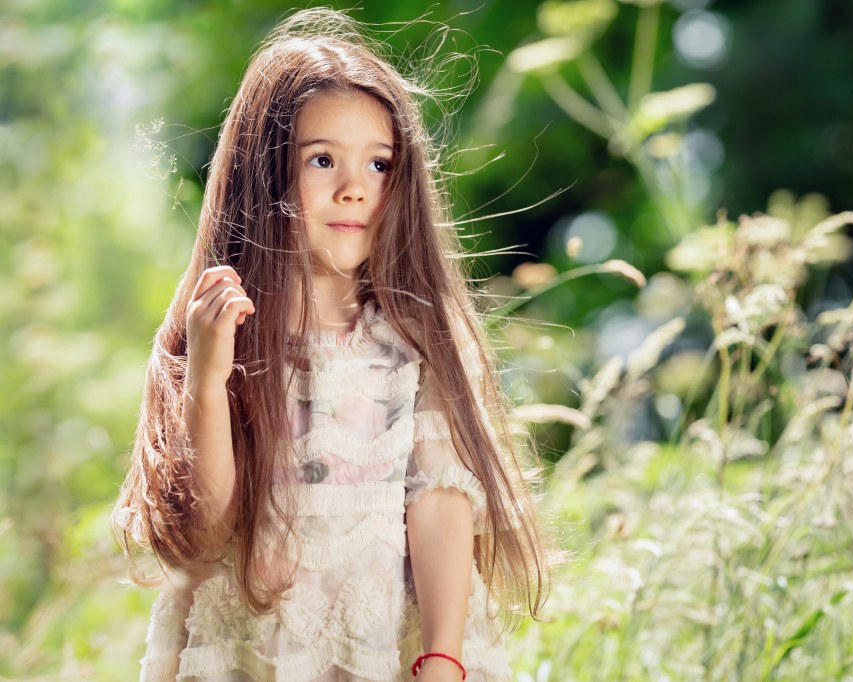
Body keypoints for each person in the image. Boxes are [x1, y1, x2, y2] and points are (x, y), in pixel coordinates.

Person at [112, 8, 547, 681]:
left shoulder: (416, 334)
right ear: (262, 175)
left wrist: (442, 655)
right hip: (249, 655)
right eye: (322, 160)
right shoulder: (218, 331)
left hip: (374, 648)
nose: (354, 188)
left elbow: (440, 497)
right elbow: (202, 535)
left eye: (379, 163)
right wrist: (204, 379)